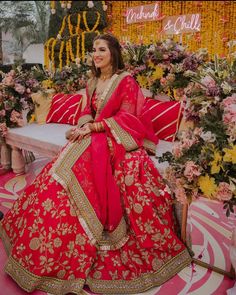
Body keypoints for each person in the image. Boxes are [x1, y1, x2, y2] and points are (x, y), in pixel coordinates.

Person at [0, 33, 191, 295]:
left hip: (116, 138)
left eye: (102, 49)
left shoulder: (125, 82)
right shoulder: (92, 81)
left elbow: (130, 118)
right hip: (93, 135)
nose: (96, 54)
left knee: (78, 156)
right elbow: (85, 111)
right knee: (66, 160)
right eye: (93, 50)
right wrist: (83, 126)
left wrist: (94, 127)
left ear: (113, 52)